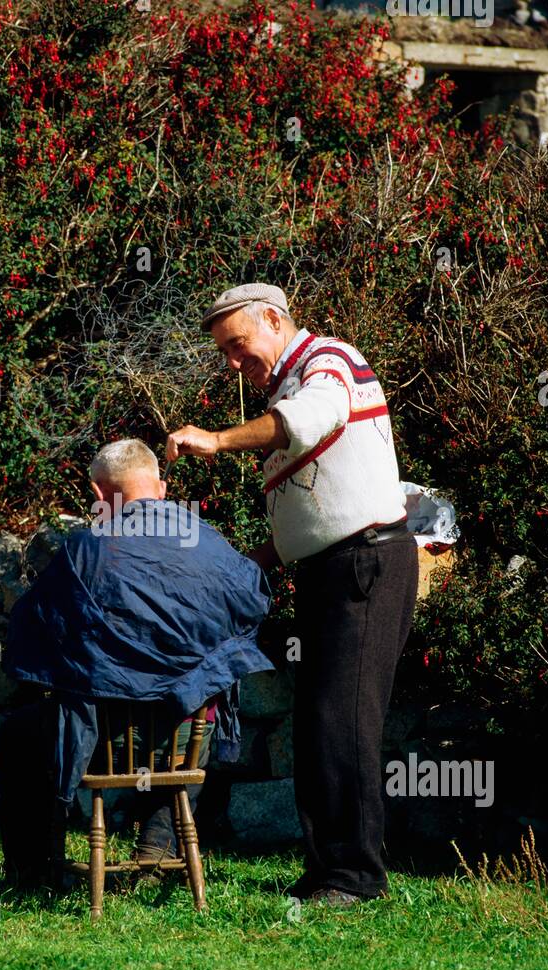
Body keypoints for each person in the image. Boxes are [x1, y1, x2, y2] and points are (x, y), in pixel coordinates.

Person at [166, 283, 419, 905]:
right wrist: (250, 562)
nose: (233, 361)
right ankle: (328, 867)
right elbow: (317, 510)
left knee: (345, 720)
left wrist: (217, 439)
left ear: (275, 320)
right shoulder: (288, 384)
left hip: (365, 563)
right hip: (331, 566)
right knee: (317, 722)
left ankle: (357, 878)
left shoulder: (326, 360)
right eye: (225, 351)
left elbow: (312, 422)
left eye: (239, 344)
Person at [0, 438, 274, 887]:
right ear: (161, 489)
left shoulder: (84, 550)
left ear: (98, 493)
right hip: (185, 732)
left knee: (19, 734)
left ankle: (35, 872)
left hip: (105, 736)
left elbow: (28, 633)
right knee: (201, 703)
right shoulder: (209, 544)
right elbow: (252, 604)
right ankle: (158, 849)